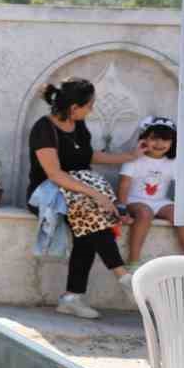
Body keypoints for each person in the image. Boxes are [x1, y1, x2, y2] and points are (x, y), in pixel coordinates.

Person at [26, 77, 138, 320]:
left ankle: (72, 298)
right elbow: (54, 174)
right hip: (48, 192)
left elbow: (88, 155)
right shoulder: (43, 129)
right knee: (89, 214)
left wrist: (129, 156)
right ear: (74, 107)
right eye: (89, 105)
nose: (92, 109)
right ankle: (122, 276)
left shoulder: (79, 124)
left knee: (86, 229)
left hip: (79, 191)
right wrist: (97, 195)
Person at [119, 115, 184, 267]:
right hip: (135, 201)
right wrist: (121, 208)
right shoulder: (134, 159)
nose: (160, 143)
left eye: (165, 139)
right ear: (144, 139)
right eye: (154, 138)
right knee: (145, 213)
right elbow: (124, 185)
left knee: (180, 213)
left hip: (159, 202)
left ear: (172, 142)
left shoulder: (173, 162)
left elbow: (183, 186)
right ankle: (133, 260)